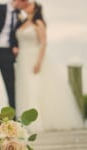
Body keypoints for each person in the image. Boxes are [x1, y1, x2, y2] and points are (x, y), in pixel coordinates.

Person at [15, 1, 83, 131]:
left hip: (34, 57)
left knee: (35, 87)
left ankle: (37, 123)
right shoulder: (22, 22)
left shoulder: (38, 23)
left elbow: (43, 43)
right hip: (22, 59)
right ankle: (25, 121)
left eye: (30, 4)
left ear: (35, 8)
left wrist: (39, 62)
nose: (27, 5)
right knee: (25, 89)